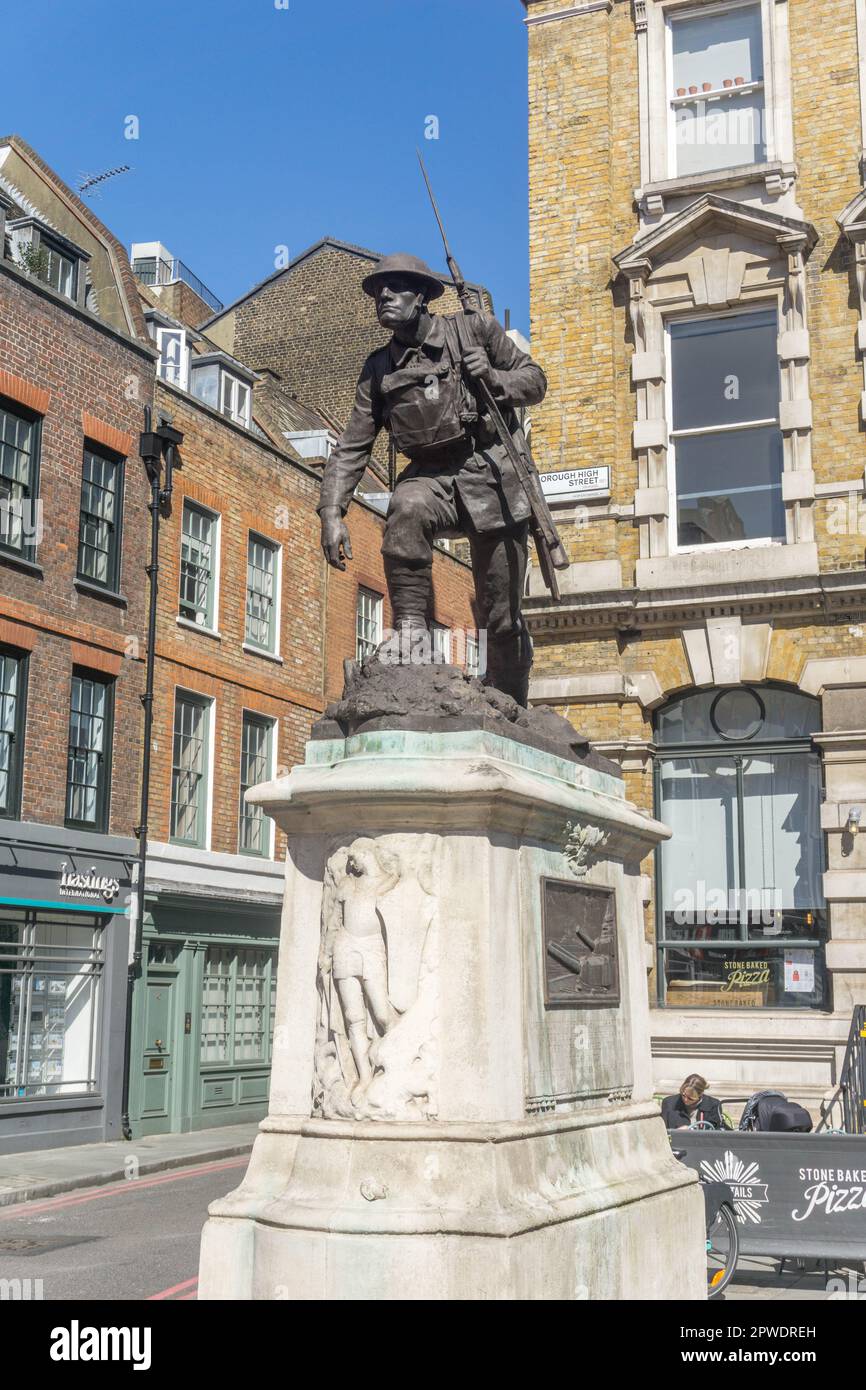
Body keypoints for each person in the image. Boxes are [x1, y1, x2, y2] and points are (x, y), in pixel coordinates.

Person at [318, 252, 548, 705]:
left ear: (421, 296)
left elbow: (535, 381)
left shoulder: (474, 329)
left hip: (492, 476)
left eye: (395, 287)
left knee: (499, 615)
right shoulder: (378, 368)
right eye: (377, 291)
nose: (383, 295)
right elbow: (352, 446)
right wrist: (332, 511)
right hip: (431, 479)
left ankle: (510, 702)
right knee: (405, 507)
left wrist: (497, 379)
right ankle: (410, 636)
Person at [661, 1074, 727, 1130]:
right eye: (683, 1095)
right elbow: (663, 1129)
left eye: (690, 1098)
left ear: (700, 1095)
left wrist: (691, 1129)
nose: (685, 1100)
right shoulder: (669, 1103)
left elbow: (717, 1131)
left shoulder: (713, 1105)